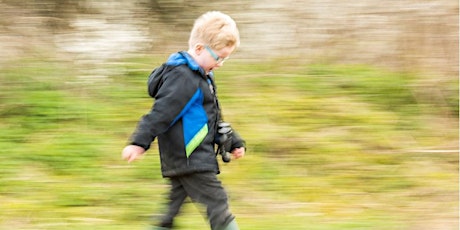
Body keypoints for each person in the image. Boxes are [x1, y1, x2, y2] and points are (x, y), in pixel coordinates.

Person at [121, 11, 246, 230]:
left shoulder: (201, 76)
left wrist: (232, 140)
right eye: (219, 57)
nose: (221, 63)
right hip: (192, 156)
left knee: (172, 209)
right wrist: (139, 142)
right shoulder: (184, 78)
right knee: (218, 204)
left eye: (225, 58)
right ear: (199, 49)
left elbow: (212, 116)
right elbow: (162, 113)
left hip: (186, 156)